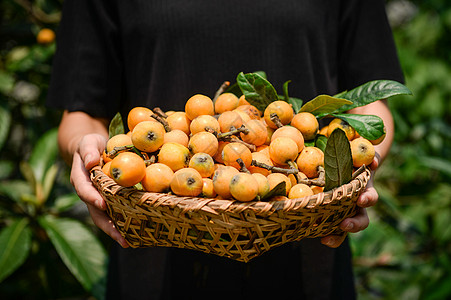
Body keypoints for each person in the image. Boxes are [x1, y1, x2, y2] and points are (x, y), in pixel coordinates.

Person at [47, 0, 403, 299]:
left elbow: (371, 105)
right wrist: (85, 149)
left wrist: (359, 165)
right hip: (154, 249)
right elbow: (81, 112)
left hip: (307, 247)